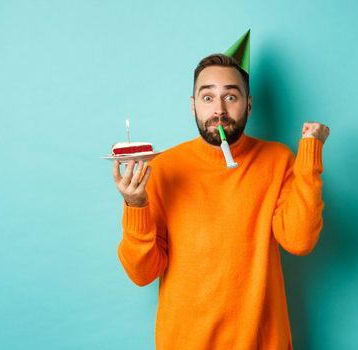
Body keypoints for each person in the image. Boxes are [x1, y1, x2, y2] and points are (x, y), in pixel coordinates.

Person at [112, 33, 330, 349]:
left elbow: (299, 240)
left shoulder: (277, 159)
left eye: (230, 97)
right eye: (208, 97)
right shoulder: (164, 168)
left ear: (249, 104)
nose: (219, 110)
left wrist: (310, 155)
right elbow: (142, 273)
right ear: (193, 106)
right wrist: (135, 206)